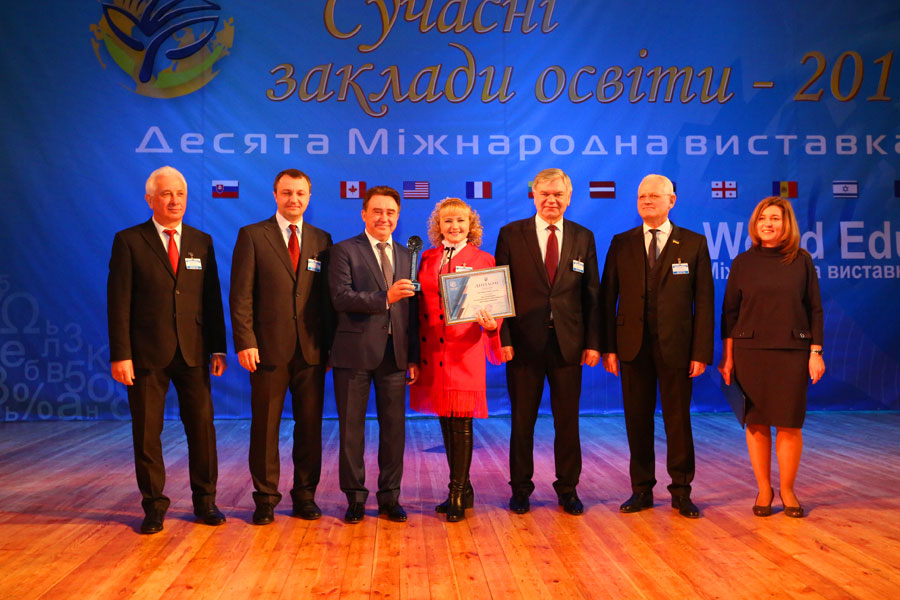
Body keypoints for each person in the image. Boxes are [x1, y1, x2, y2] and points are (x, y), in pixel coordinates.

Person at [107, 165, 228, 534]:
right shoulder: (129, 241)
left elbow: (211, 298)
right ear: (150, 199)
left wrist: (218, 348)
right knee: (147, 434)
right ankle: (154, 506)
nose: (175, 201)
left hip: (194, 352)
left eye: (180, 194)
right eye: (166, 194)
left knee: (202, 430)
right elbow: (118, 302)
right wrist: (121, 354)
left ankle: (205, 501)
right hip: (146, 355)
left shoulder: (201, 241)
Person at [600, 173, 714, 519]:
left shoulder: (693, 243)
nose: (647, 201)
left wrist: (700, 352)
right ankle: (641, 490)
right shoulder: (621, 242)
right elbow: (607, 298)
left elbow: (704, 302)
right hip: (631, 348)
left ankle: (681, 491)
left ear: (671, 201)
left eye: (654, 196)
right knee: (637, 421)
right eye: (642, 196)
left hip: (677, 348)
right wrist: (609, 348)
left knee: (678, 421)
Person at [495, 168, 602, 516]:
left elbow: (592, 295)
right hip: (523, 345)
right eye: (545, 194)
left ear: (568, 197)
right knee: (522, 422)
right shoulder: (511, 234)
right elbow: (500, 292)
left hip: (569, 345)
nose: (551, 200)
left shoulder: (583, 236)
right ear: (534, 196)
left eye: (558, 194)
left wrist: (593, 343)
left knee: (567, 422)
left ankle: (568, 489)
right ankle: (520, 489)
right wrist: (504, 337)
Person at [230, 168, 334, 525]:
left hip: (311, 351)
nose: (294, 199)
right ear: (275, 195)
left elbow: (326, 300)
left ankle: (305, 496)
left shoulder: (322, 239)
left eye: (300, 193)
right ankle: (265, 499)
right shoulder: (252, 235)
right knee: (265, 428)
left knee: (310, 428)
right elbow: (240, 295)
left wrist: (329, 348)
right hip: (266, 351)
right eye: (287, 192)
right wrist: (245, 341)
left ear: (309, 197)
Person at [718, 196, 825, 518]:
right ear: (755, 224)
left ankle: (788, 490)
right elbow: (729, 314)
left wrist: (815, 352)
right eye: (763, 218)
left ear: (786, 224)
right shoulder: (742, 262)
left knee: (789, 424)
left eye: (775, 218)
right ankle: (764, 489)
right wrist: (728, 358)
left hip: (792, 352)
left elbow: (815, 310)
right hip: (750, 352)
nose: (768, 223)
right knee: (756, 423)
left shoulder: (801, 260)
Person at [328, 185, 420, 524]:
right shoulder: (343, 251)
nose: (384, 218)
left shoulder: (407, 255)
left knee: (394, 431)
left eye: (390, 212)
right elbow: (340, 297)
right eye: (377, 211)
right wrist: (385, 297)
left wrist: (413, 356)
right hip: (353, 354)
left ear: (398, 216)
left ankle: (390, 497)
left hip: (395, 356)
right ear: (364, 214)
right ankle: (354, 498)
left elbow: (413, 312)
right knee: (351, 430)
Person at [410, 198, 503, 522]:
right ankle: (465, 488)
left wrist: (492, 325)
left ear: (471, 225)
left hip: (464, 352)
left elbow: (494, 306)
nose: (454, 226)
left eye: (461, 221)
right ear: (438, 226)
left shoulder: (483, 259)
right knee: (446, 420)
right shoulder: (427, 257)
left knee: (461, 421)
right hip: (433, 352)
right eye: (447, 221)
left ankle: (456, 493)